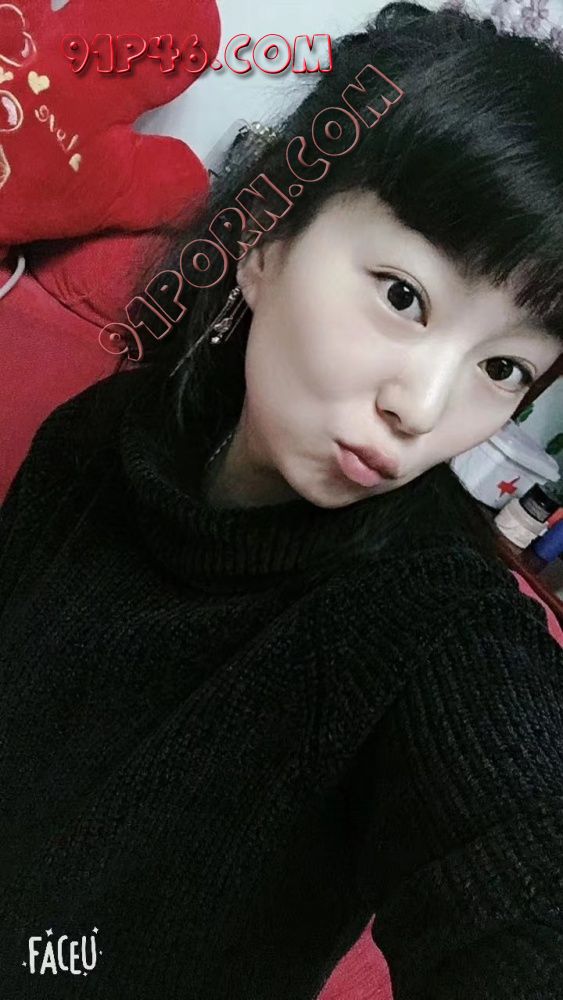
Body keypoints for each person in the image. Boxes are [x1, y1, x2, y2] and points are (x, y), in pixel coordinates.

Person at [1, 2, 562, 997]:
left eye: (503, 368)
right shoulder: (99, 439)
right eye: (403, 296)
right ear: (263, 239)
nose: (421, 408)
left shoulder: (431, 628)